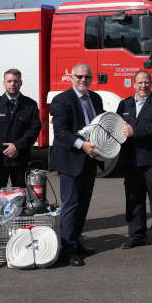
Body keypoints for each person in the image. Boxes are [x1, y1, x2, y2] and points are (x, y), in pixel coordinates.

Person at [48, 63, 104, 266]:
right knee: (71, 204)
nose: (83, 80)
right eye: (79, 76)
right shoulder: (61, 100)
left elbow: (102, 123)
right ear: (70, 77)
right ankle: (67, 249)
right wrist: (82, 145)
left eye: (87, 77)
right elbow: (61, 132)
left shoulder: (96, 98)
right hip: (71, 159)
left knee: (83, 203)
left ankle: (77, 240)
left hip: (90, 160)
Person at [0, 68, 42, 236]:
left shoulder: (30, 105)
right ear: (4, 83)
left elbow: (34, 128)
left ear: (21, 82)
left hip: (20, 160)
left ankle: (21, 235)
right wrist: (4, 148)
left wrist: (18, 146)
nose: (13, 84)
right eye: (9, 81)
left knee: (21, 198)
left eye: (16, 81)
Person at [116, 71, 152, 253]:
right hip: (131, 161)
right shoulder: (124, 104)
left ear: (150, 84)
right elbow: (116, 128)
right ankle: (136, 235)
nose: (143, 86)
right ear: (134, 84)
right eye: (140, 82)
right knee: (134, 200)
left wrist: (135, 132)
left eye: (146, 82)